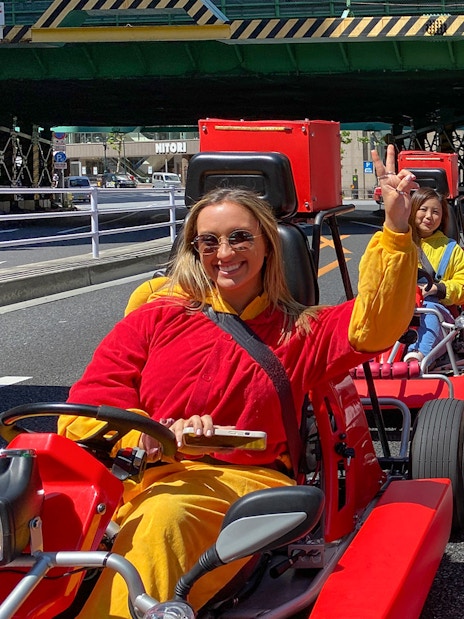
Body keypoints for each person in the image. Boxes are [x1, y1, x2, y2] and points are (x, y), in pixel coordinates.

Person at [58, 144, 418, 618]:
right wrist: (150, 435)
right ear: (194, 251)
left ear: (268, 244)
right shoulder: (154, 318)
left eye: (240, 238)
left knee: (167, 520)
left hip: (238, 484)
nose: (224, 253)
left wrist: (394, 230)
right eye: (209, 242)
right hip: (132, 481)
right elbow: (89, 406)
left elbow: (376, 325)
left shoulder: (300, 330)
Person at [403, 186, 464, 365]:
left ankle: (417, 358)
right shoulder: (398, 244)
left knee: (430, 307)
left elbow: (461, 286)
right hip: (399, 311)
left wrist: (438, 289)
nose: (429, 216)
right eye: (423, 209)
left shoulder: (451, 250)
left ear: (443, 217)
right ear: (412, 210)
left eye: (435, 212)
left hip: (436, 313)